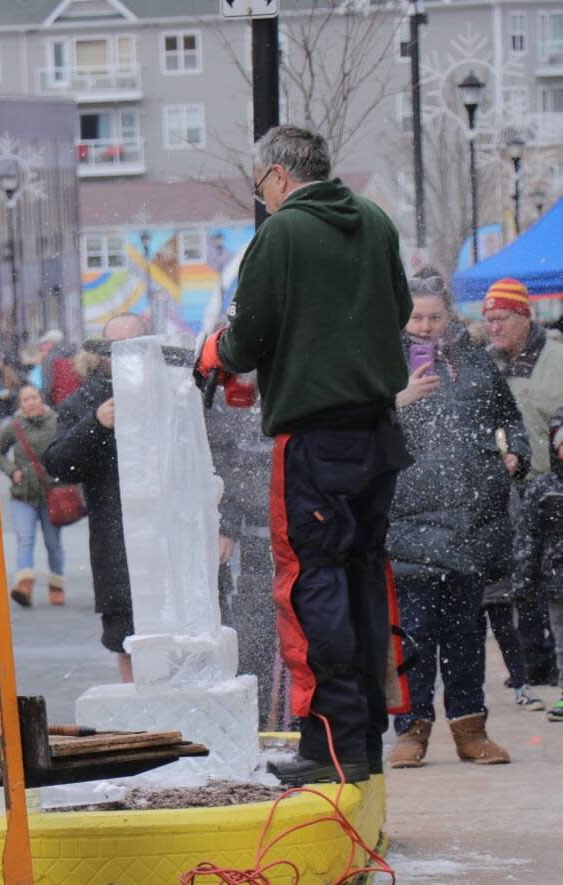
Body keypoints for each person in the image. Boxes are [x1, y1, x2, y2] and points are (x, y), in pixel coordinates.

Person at [195, 125, 413, 786]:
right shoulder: (374, 222)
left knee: (311, 583)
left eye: (260, 186)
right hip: (377, 432)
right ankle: (366, 736)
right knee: (362, 577)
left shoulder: (281, 235)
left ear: (279, 176)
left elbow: (248, 336)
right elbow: (397, 307)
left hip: (315, 442)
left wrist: (215, 354)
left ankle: (327, 741)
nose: (262, 198)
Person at [386, 272, 526, 769]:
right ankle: (411, 731)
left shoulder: (476, 363)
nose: (424, 327)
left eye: (434, 316)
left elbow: (510, 420)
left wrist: (516, 457)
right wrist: (397, 400)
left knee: (466, 635)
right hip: (407, 520)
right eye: (417, 317)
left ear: (450, 317)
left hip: (469, 523)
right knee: (414, 637)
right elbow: (357, 424)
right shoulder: (384, 362)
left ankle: (471, 729)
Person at [44, 312, 147, 682]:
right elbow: (58, 464)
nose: (120, 357)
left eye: (131, 346)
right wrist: (96, 425)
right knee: (126, 638)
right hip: (116, 541)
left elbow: (218, 453)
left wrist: (225, 523)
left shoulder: (175, 387)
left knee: (178, 636)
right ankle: (144, 724)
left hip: (169, 539)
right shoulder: (83, 401)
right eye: (111, 349)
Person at [484, 278, 563, 686]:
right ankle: (533, 665)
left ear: (523, 316)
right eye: (489, 320)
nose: (494, 328)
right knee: (520, 581)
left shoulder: (558, 359)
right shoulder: (485, 365)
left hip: (553, 490)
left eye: (501, 319)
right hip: (506, 490)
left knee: (554, 582)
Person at [207, 375, 285, 730]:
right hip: (258, 538)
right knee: (255, 630)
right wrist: (228, 525)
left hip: (301, 533)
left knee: (301, 633)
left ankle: (291, 718)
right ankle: (256, 720)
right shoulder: (242, 402)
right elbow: (236, 470)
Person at [513, 406, 563, 723]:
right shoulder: (543, 490)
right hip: (557, 579)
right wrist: (524, 581)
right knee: (561, 639)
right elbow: (527, 539)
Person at [0, 384, 66, 608]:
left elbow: (69, 447)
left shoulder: (57, 422)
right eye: (25, 400)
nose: (30, 402)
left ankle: (56, 586)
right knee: (25, 540)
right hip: (23, 495)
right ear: (20, 405)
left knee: (52, 543)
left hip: (51, 493)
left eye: (33, 397)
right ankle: (24, 587)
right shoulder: (14, 426)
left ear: (41, 398)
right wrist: (11, 471)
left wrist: (63, 473)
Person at [38, 329, 82, 407]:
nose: (42, 346)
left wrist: (47, 404)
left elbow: (47, 386)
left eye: (45, 343)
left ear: (52, 343)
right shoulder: (75, 354)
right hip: (78, 400)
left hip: (60, 403)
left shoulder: (50, 359)